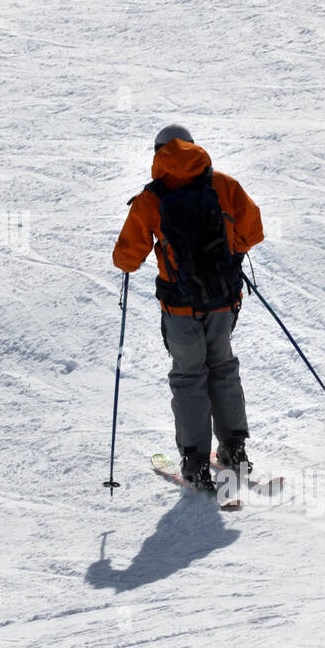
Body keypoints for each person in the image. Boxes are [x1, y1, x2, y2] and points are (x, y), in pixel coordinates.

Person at [112, 124, 264, 492]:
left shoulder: (152, 199)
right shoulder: (224, 185)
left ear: (158, 153)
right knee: (223, 366)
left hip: (180, 309)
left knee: (189, 376)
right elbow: (253, 230)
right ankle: (235, 449)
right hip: (223, 302)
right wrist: (230, 255)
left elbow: (127, 258)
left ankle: (196, 461)